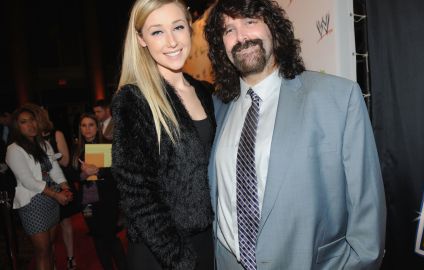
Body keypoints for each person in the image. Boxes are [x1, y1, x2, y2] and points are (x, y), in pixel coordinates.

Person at [204, 0, 387, 269]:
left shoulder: (337, 98)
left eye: (250, 21)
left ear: (274, 29)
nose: (240, 36)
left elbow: (367, 211)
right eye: (228, 30)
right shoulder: (217, 109)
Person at [111, 0, 215, 269]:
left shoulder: (204, 92)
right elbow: (137, 194)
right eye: (157, 31)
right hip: (161, 254)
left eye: (178, 27)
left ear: (189, 28)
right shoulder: (134, 100)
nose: (171, 41)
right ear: (141, 39)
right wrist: (179, 258)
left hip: (209, 241)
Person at [5, 106, 72, 270]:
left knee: (50, 247)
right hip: (33, 202)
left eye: (32, 120)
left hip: (51, 200)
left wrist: (65, 187)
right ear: (17, 126)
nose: (30, 125)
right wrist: (56, 195)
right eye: (24, 122)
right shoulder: (13, 149)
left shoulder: (44, 144)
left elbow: (55, 169)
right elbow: (28, 180)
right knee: (41, 251)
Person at [71, 113, 126, 270]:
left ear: (98, 127)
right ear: (80, 129)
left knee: (109, 236)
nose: (87, 129)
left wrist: (98, 171)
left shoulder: (109, 145)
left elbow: (118, 170)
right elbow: (72, 174)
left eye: (91, 125)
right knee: (97, 236)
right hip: (88, 198)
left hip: (108, 196)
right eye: (83, 125)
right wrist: (84, 174)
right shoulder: (77, 150)